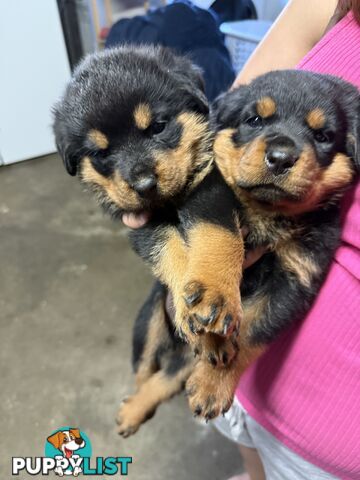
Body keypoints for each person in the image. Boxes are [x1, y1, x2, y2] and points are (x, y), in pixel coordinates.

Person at [123, 1, 360, 478]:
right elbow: (221, 121)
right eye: (259, 122)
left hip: (324, 435)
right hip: (237, 400)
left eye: (320, 136)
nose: (280, 149)